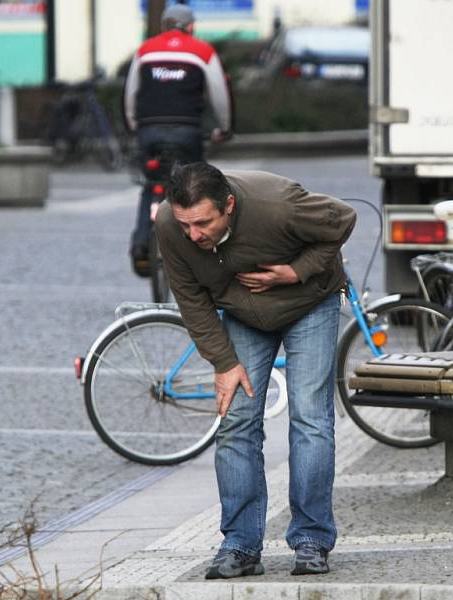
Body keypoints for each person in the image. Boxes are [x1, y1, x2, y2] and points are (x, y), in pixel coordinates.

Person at [155, 162, 357, 578]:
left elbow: (343, 220)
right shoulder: (170, 225)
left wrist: (296, 271)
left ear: (228, 205)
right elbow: (190, 298)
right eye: (185, 224)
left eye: (203, 223)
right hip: (245, 315)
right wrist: (223, 363)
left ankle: (312, 539)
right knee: (236, 422)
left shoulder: (278, 205)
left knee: (310, 419)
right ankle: (241, 546)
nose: (194, 235)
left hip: (309, 305)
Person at [123, 4, 232, 274]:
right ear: (191, 27)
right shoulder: (202, 51)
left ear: (163, 25)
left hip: (149, 130)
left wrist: (133, 124)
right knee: (194, 186)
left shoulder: (145, 50)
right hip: (187, 131)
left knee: (151, 183)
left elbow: (130, 94)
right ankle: (195, 249)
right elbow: (220, 94)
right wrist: (224, 127)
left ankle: (140, 243)